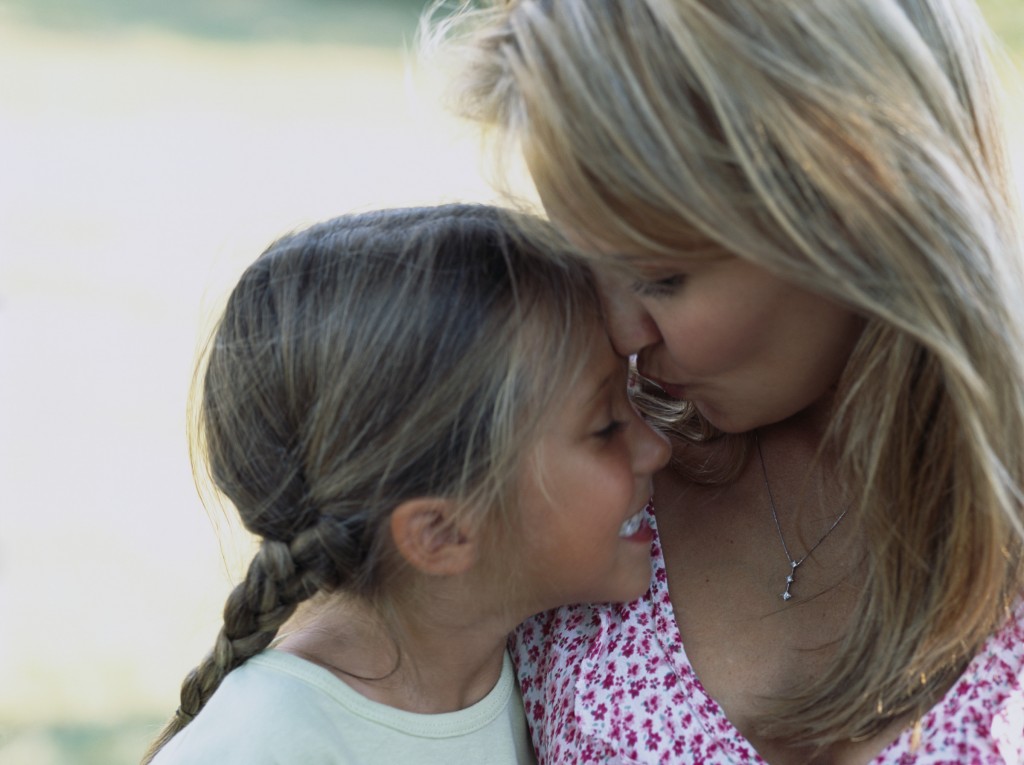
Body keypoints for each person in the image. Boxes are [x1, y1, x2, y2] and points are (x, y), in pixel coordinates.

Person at [431, 1, 1024, 762]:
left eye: (661, 277)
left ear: (860, 204)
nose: (619, 333)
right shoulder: (572, 480)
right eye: (586, 263)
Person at [140, 203, 671, 764]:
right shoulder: (262, 746)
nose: (657, 447)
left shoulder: (532, 671)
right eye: (606, 426)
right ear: (440, 533)